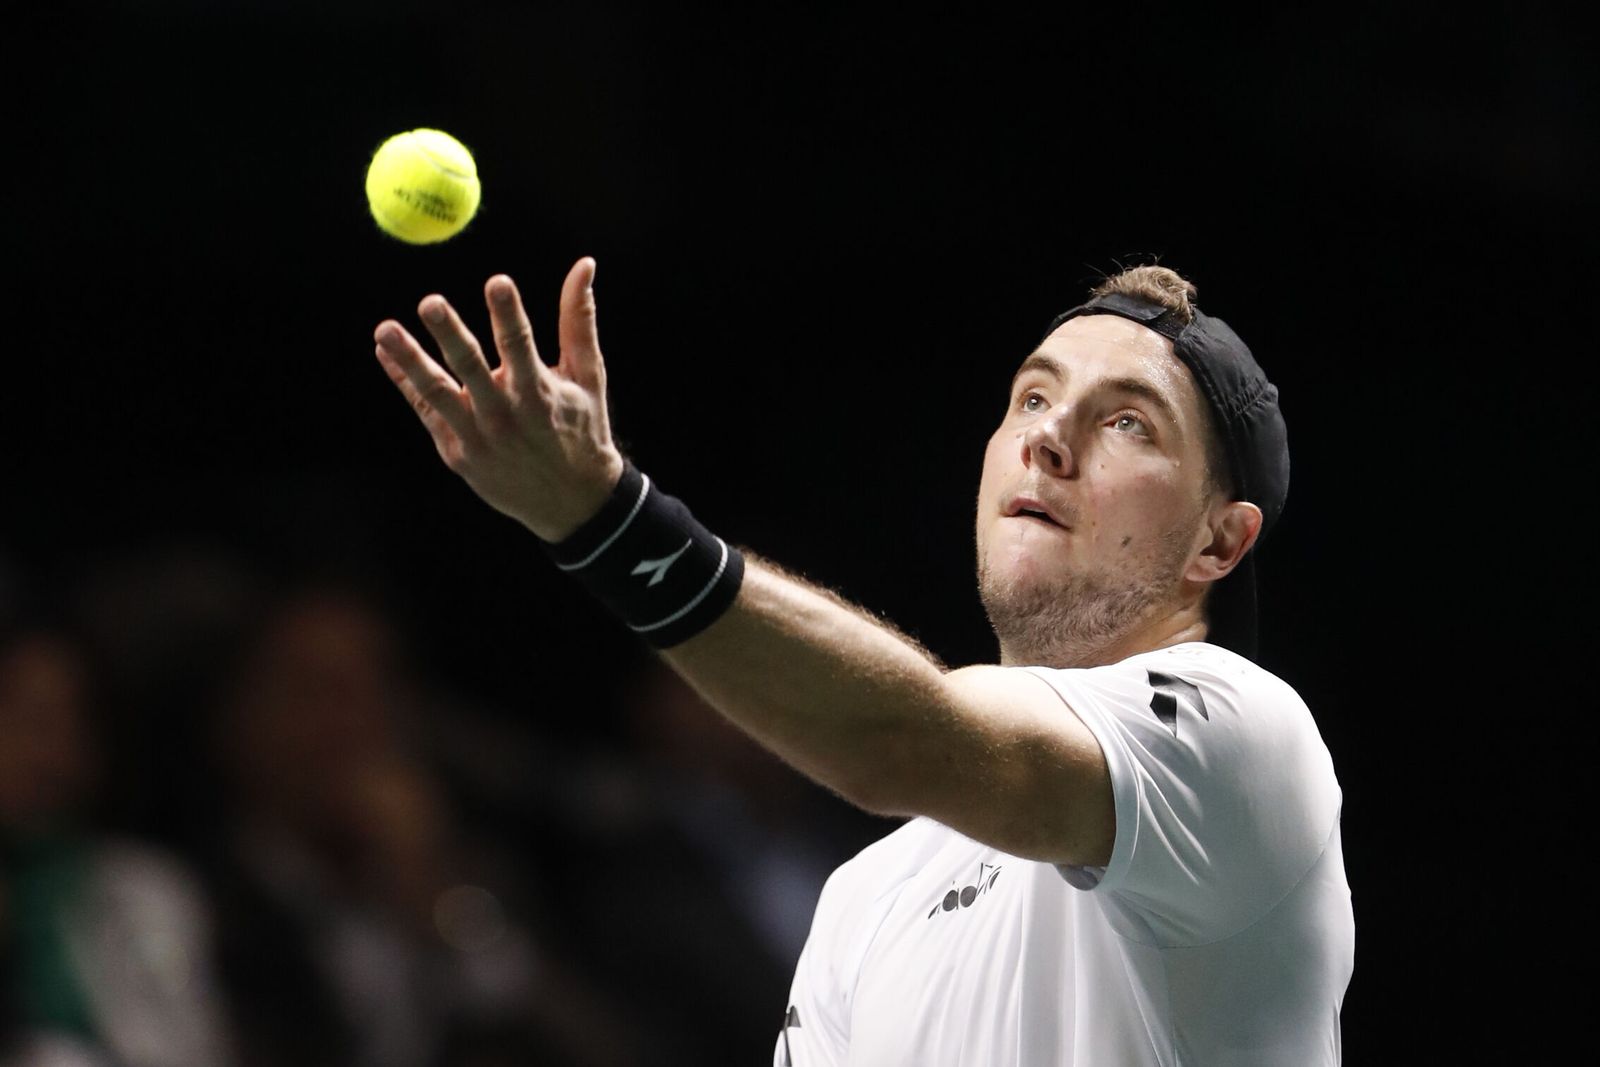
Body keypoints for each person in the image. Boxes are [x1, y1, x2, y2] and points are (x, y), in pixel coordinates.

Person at [371, 258, 1354, 1065]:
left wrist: (606, 519)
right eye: (1032, 396)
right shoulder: (866, 895)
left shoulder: (1240, 738)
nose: (1049, 437)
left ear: (1218, 542)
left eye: (1126, 419)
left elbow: (904, 738)